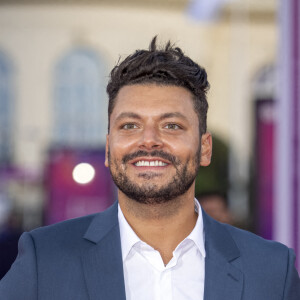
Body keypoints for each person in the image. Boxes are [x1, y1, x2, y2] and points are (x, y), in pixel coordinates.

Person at [0, 37, 299, 300]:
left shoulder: (272, 270)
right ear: (108, 148)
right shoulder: (45, 260)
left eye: (171, 125)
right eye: (130, 125)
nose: (149, 141)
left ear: (204, 148)